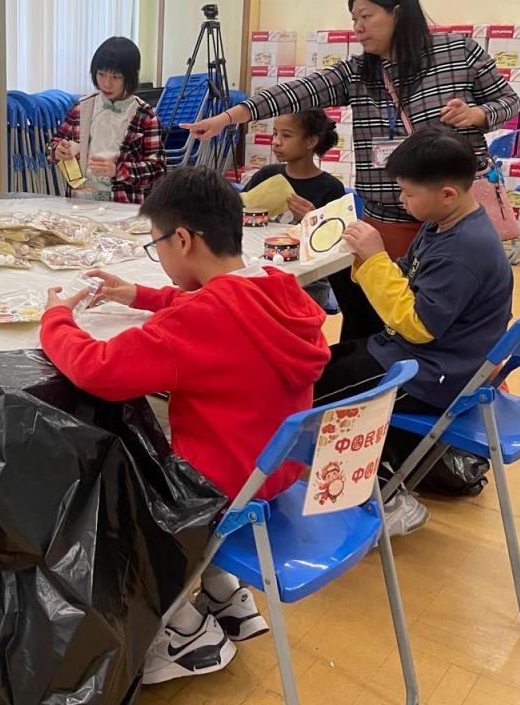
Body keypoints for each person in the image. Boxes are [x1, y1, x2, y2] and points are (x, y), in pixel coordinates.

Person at [39, 166, 330, 685]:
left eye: (157, 246)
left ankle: (185, 631)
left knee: (100, 486)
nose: (160, 257)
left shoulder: (199, 320)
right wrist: (140, 295)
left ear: (182, 239)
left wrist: (56, 318)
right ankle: (224, 590)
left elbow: (97, 369)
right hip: (276, 471)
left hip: (217, 490)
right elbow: (223, 304)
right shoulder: (279, 287)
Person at [184, 0, 518, 336]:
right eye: (354, 19)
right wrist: (229, 118)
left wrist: (479, 114)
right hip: (385, 216)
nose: (358, 27)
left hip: (450, 215)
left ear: (398, 12)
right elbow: (298, 92)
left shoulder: (459, 52)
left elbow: (509, 101)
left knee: (443, 320)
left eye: (366, 16)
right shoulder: (358, 72)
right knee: (372, 318)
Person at [313, 126, 514, 535]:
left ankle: (389, 499)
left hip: (434, 373)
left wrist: (374, 259)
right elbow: (407, 276)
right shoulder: (443, 224)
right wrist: (370, 258)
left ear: (447, 194)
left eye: (407, 193)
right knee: (321, 364)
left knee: (314, 395)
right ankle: (373, 474)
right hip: (416, 355)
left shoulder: (464, 250)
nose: (401, 201)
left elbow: (417, 325)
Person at [242, 109, 353, 313]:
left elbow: (336, 247)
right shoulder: (266, 175)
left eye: (286, 135)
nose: (276, 142)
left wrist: (314, 219)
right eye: (275, 134)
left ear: (311, 141)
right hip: (262, 274)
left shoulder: (330, 187)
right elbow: (239, 213)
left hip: (308, 283)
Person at [48, 36, 165, 204]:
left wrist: (118, 170)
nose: (106, 83)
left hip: (123, 204)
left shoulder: (146, 116)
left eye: (116, 77)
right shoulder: (82, 107)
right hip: (80, 202)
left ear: (131, 77)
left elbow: (157, 168)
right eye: (101, 74)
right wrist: (57, 150)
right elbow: (53, 146)